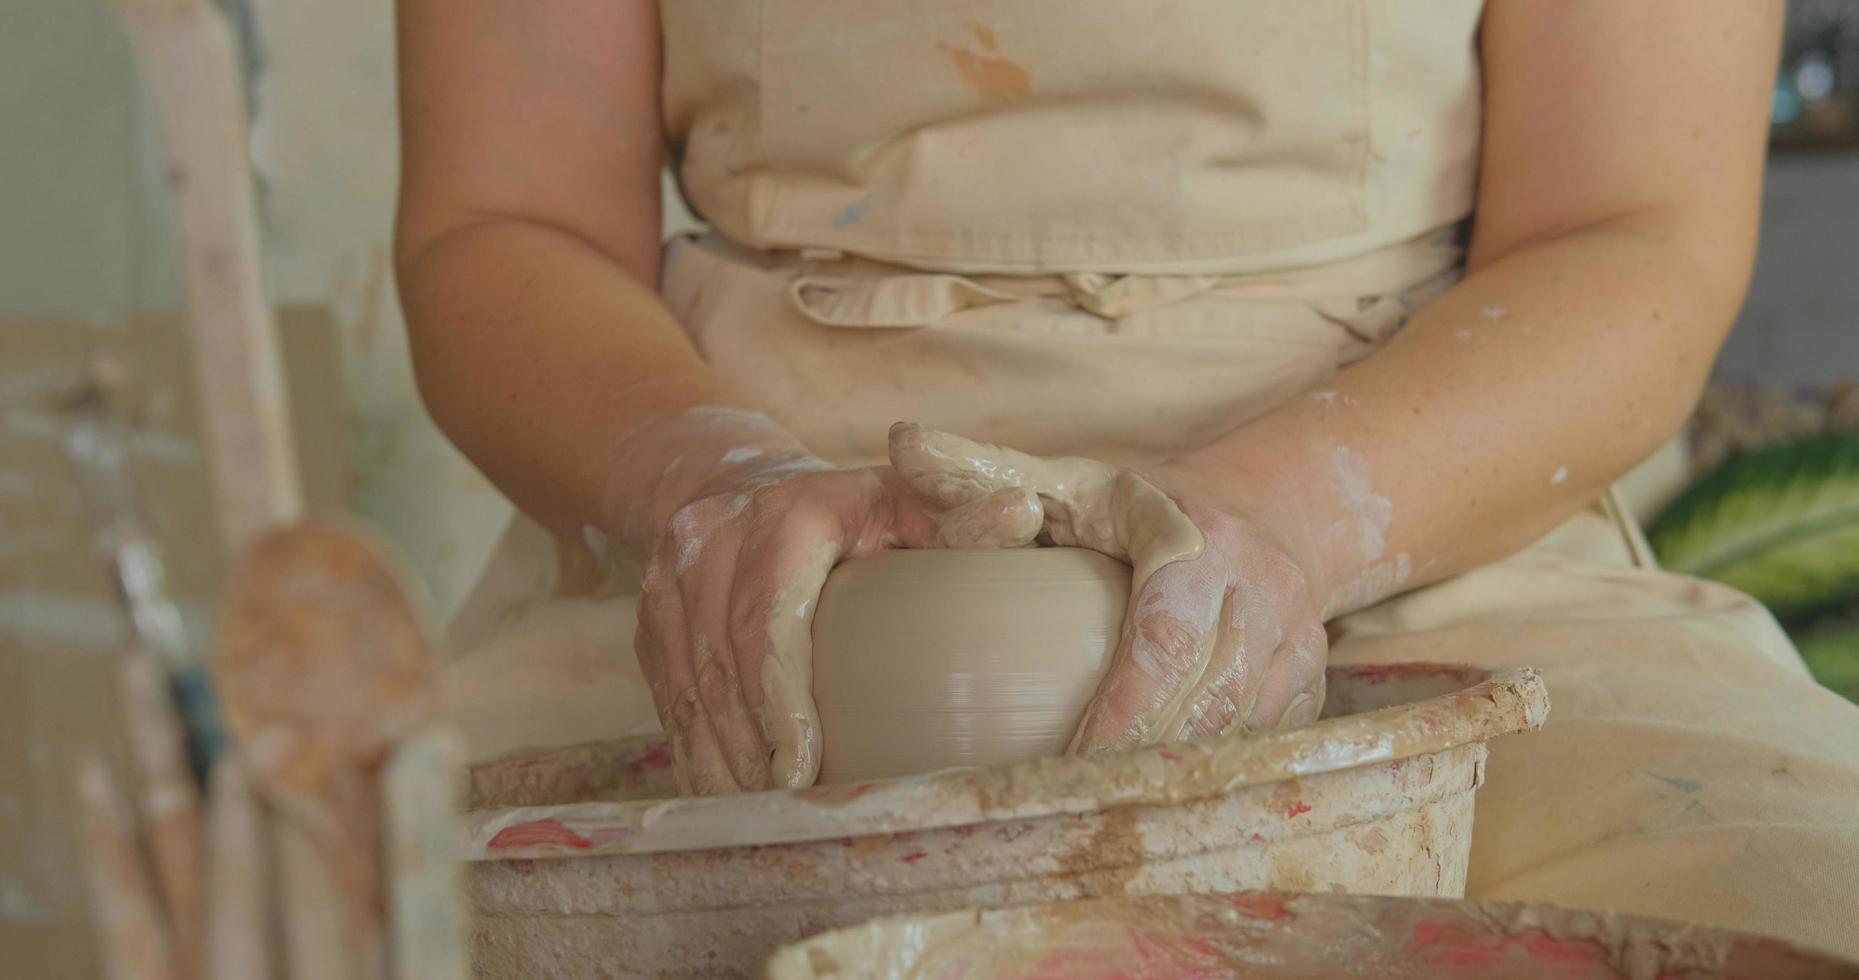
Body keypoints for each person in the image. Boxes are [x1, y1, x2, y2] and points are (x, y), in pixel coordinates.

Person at [393, 0, 1859, 957]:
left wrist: (1290, 521)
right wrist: (701, 483)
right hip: (743, 548)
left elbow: (1631, 228)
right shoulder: (717, 520)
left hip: (1416, 498)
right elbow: (508, 220)